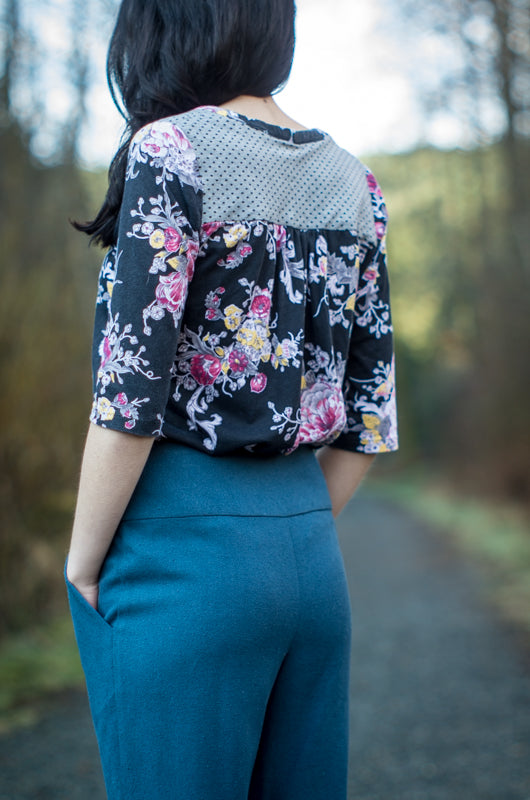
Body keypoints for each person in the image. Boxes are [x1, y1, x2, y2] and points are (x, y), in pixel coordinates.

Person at [65, 0, 398, 798]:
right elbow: (370, 417)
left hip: (182, 558)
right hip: (313, 564)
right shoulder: (356, 183)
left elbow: (129, 399)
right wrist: (288, 527)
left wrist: (81, 565)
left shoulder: (171, 152)